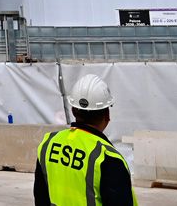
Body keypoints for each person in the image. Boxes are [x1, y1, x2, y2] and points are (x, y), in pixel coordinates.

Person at [34, 74, 136, 205]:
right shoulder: (108, 158)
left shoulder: (48, 145)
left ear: (73, 110)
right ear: (107, 115)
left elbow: (40, 197)